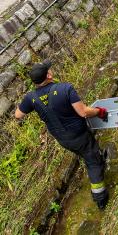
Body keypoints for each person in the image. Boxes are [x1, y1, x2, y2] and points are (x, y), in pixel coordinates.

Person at [15, 59, 109, 209]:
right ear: (49, 75)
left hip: (63, 140)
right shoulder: (66, 88)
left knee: (88, 153)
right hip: (79, 136)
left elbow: (18, 115)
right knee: (93, 163)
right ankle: (100, 198)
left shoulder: (31, 98)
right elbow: (83, 112)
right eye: (49, 70)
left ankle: (96, 157)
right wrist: (100, 111)